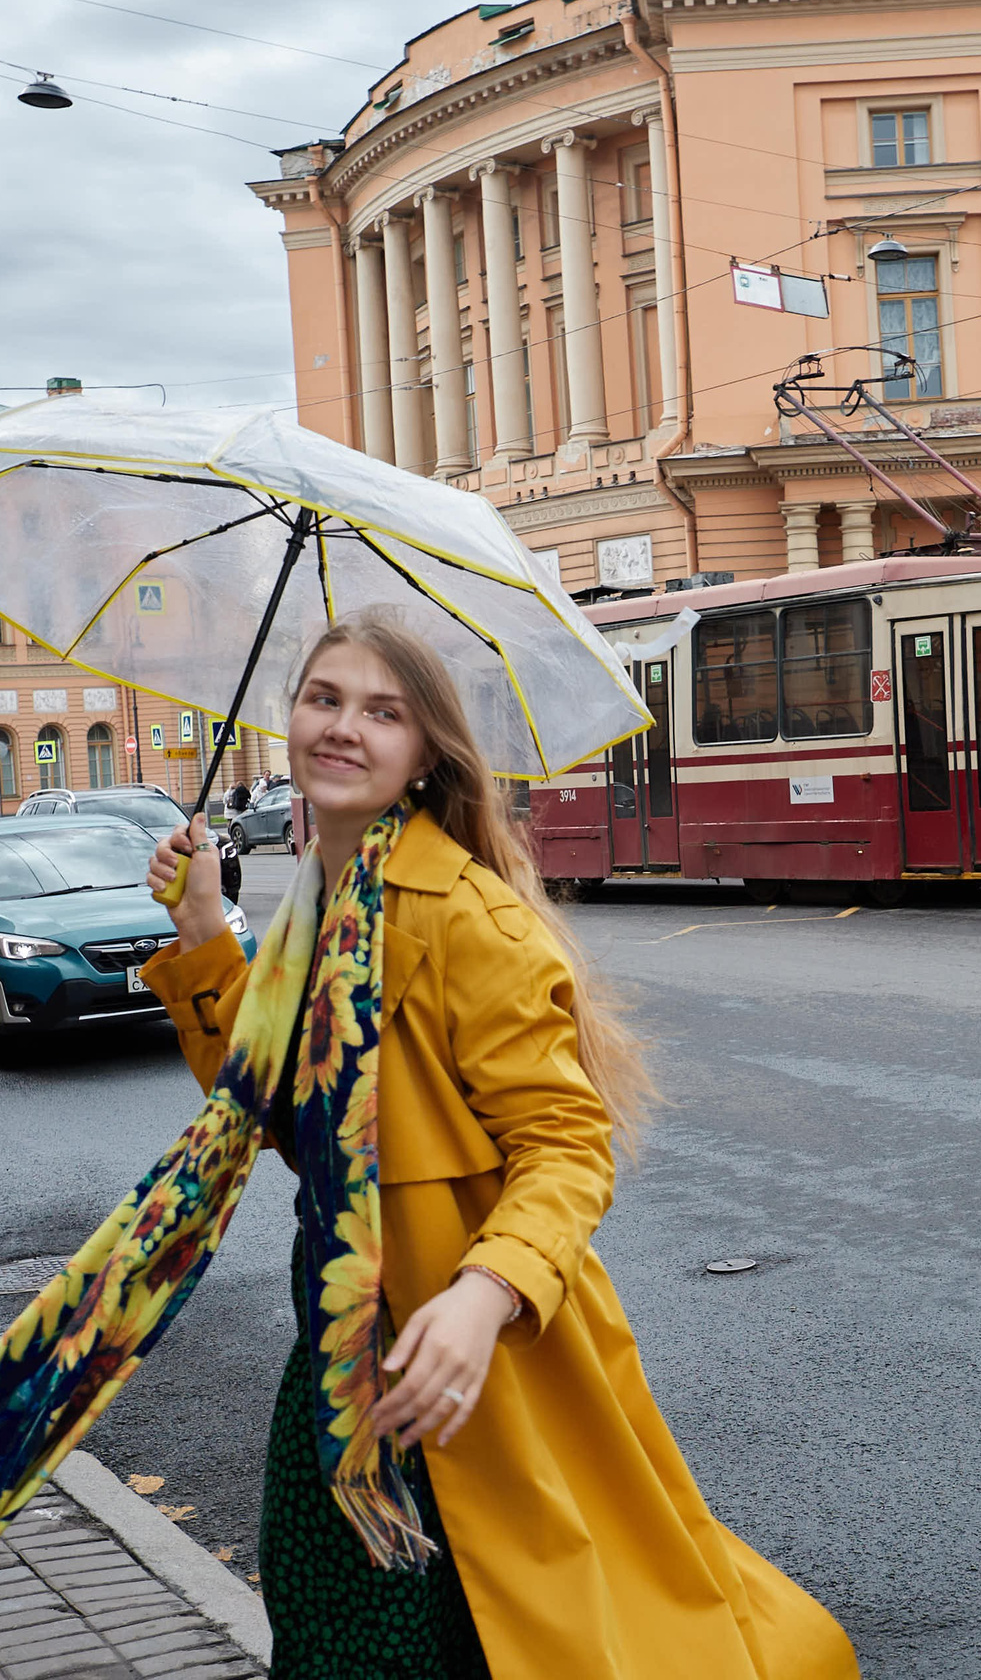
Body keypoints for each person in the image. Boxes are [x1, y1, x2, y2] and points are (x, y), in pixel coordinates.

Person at [139, 612, 858, 1679]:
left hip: (475, 1365)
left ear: (426, 752)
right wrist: (205, 928)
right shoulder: (324, 906)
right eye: (324, 699)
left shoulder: (462, 916)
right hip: (343, 1357)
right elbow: (287, 1119)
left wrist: (484, 1297)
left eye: (382, 712)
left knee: (526, 1637)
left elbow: (569, 1146)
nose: (342, 728)